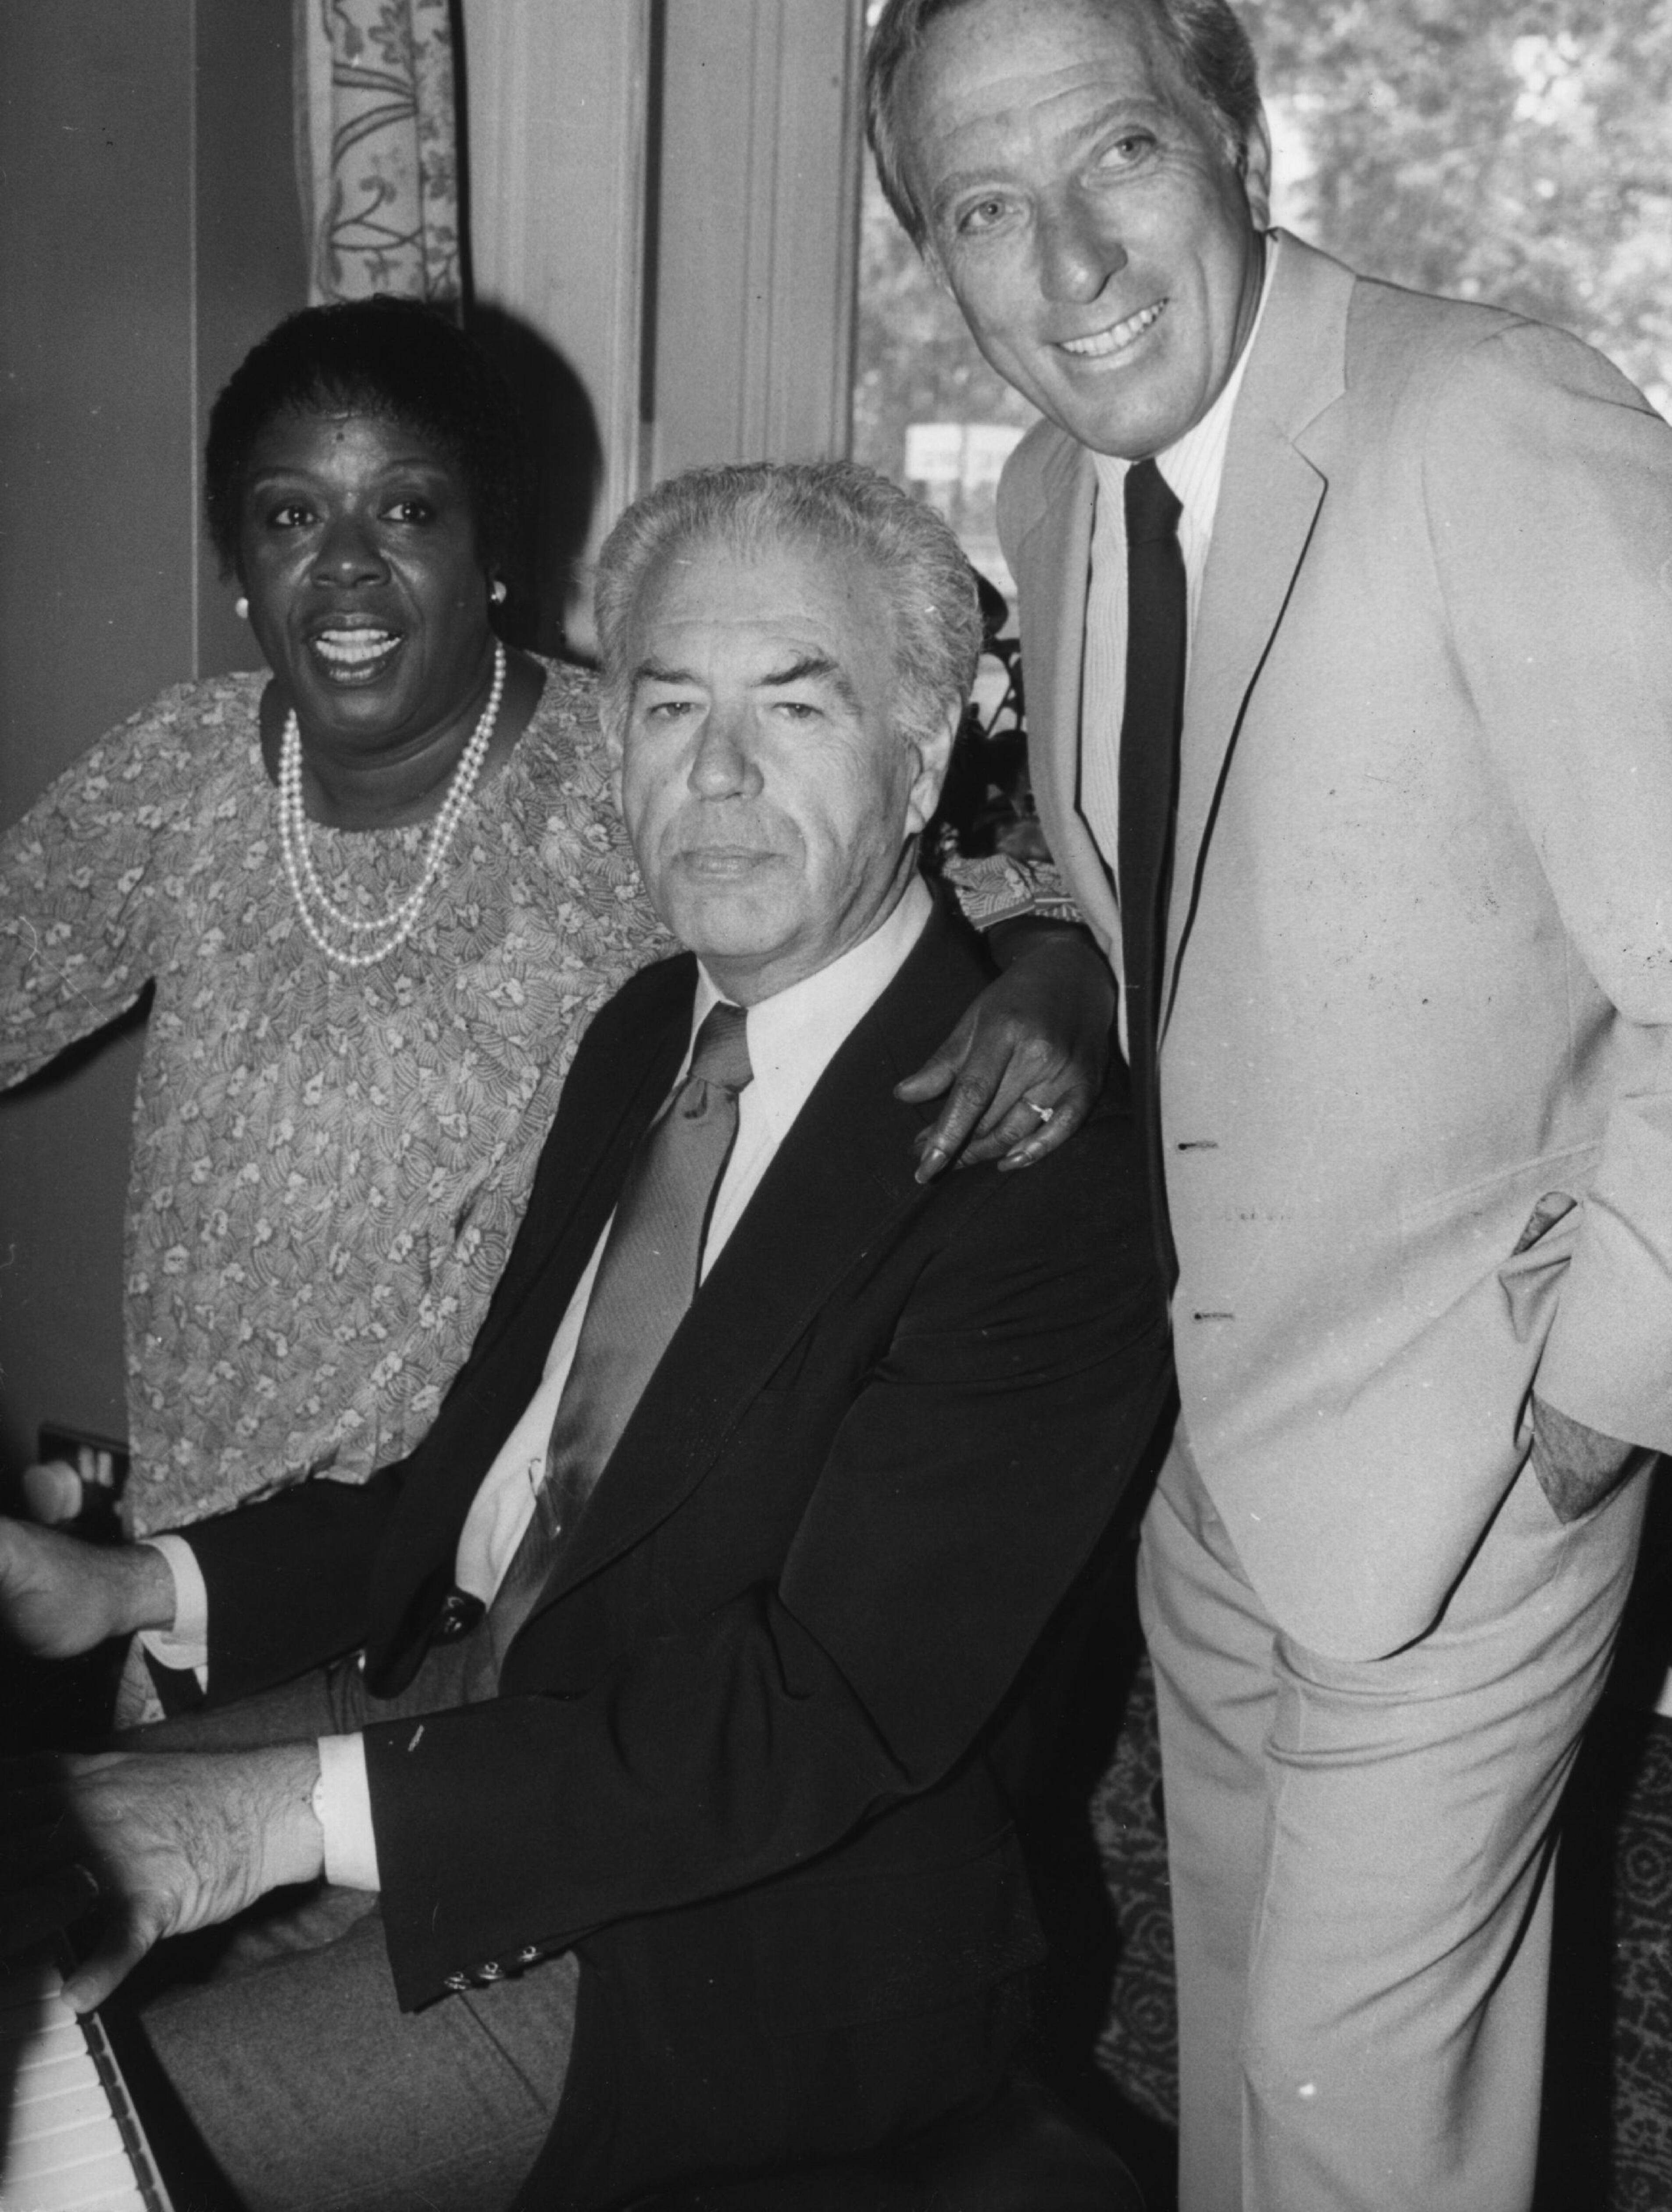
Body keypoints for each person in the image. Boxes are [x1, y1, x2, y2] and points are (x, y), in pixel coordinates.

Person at [0, 461, 1171, 2210]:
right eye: (668, 705)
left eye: (796, 705)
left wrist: (263, 1816)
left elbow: (815, 1717)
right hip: (461, 1700)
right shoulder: (650, 1025)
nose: (716, 774)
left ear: (923, 761)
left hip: (734, 1929)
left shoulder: (1033, 1164)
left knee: (62, 2151)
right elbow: (503, 1478)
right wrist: (141, 1582)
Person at [865, 0, 1672, 2212]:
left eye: (1115, 152)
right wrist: (1042, 954)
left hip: (1479, 1448)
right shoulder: (1055, 493)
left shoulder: (1484, 417)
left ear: (1236, 129)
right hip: (1222, 1455)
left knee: (1356, 2130)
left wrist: (1599, 1395)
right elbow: (1211, 885)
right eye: (985, 211)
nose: (1072, 265)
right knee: (1239, 2072)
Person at [0, 298, 664, 1551]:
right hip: (198, 1557)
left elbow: (888, 923)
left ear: (492, 544)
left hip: (488, 1565)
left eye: (407, 508)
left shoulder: (625, 782)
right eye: (291, 515)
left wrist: (1050, 955)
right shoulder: (183, 772)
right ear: (240, 569)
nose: (347, 560)